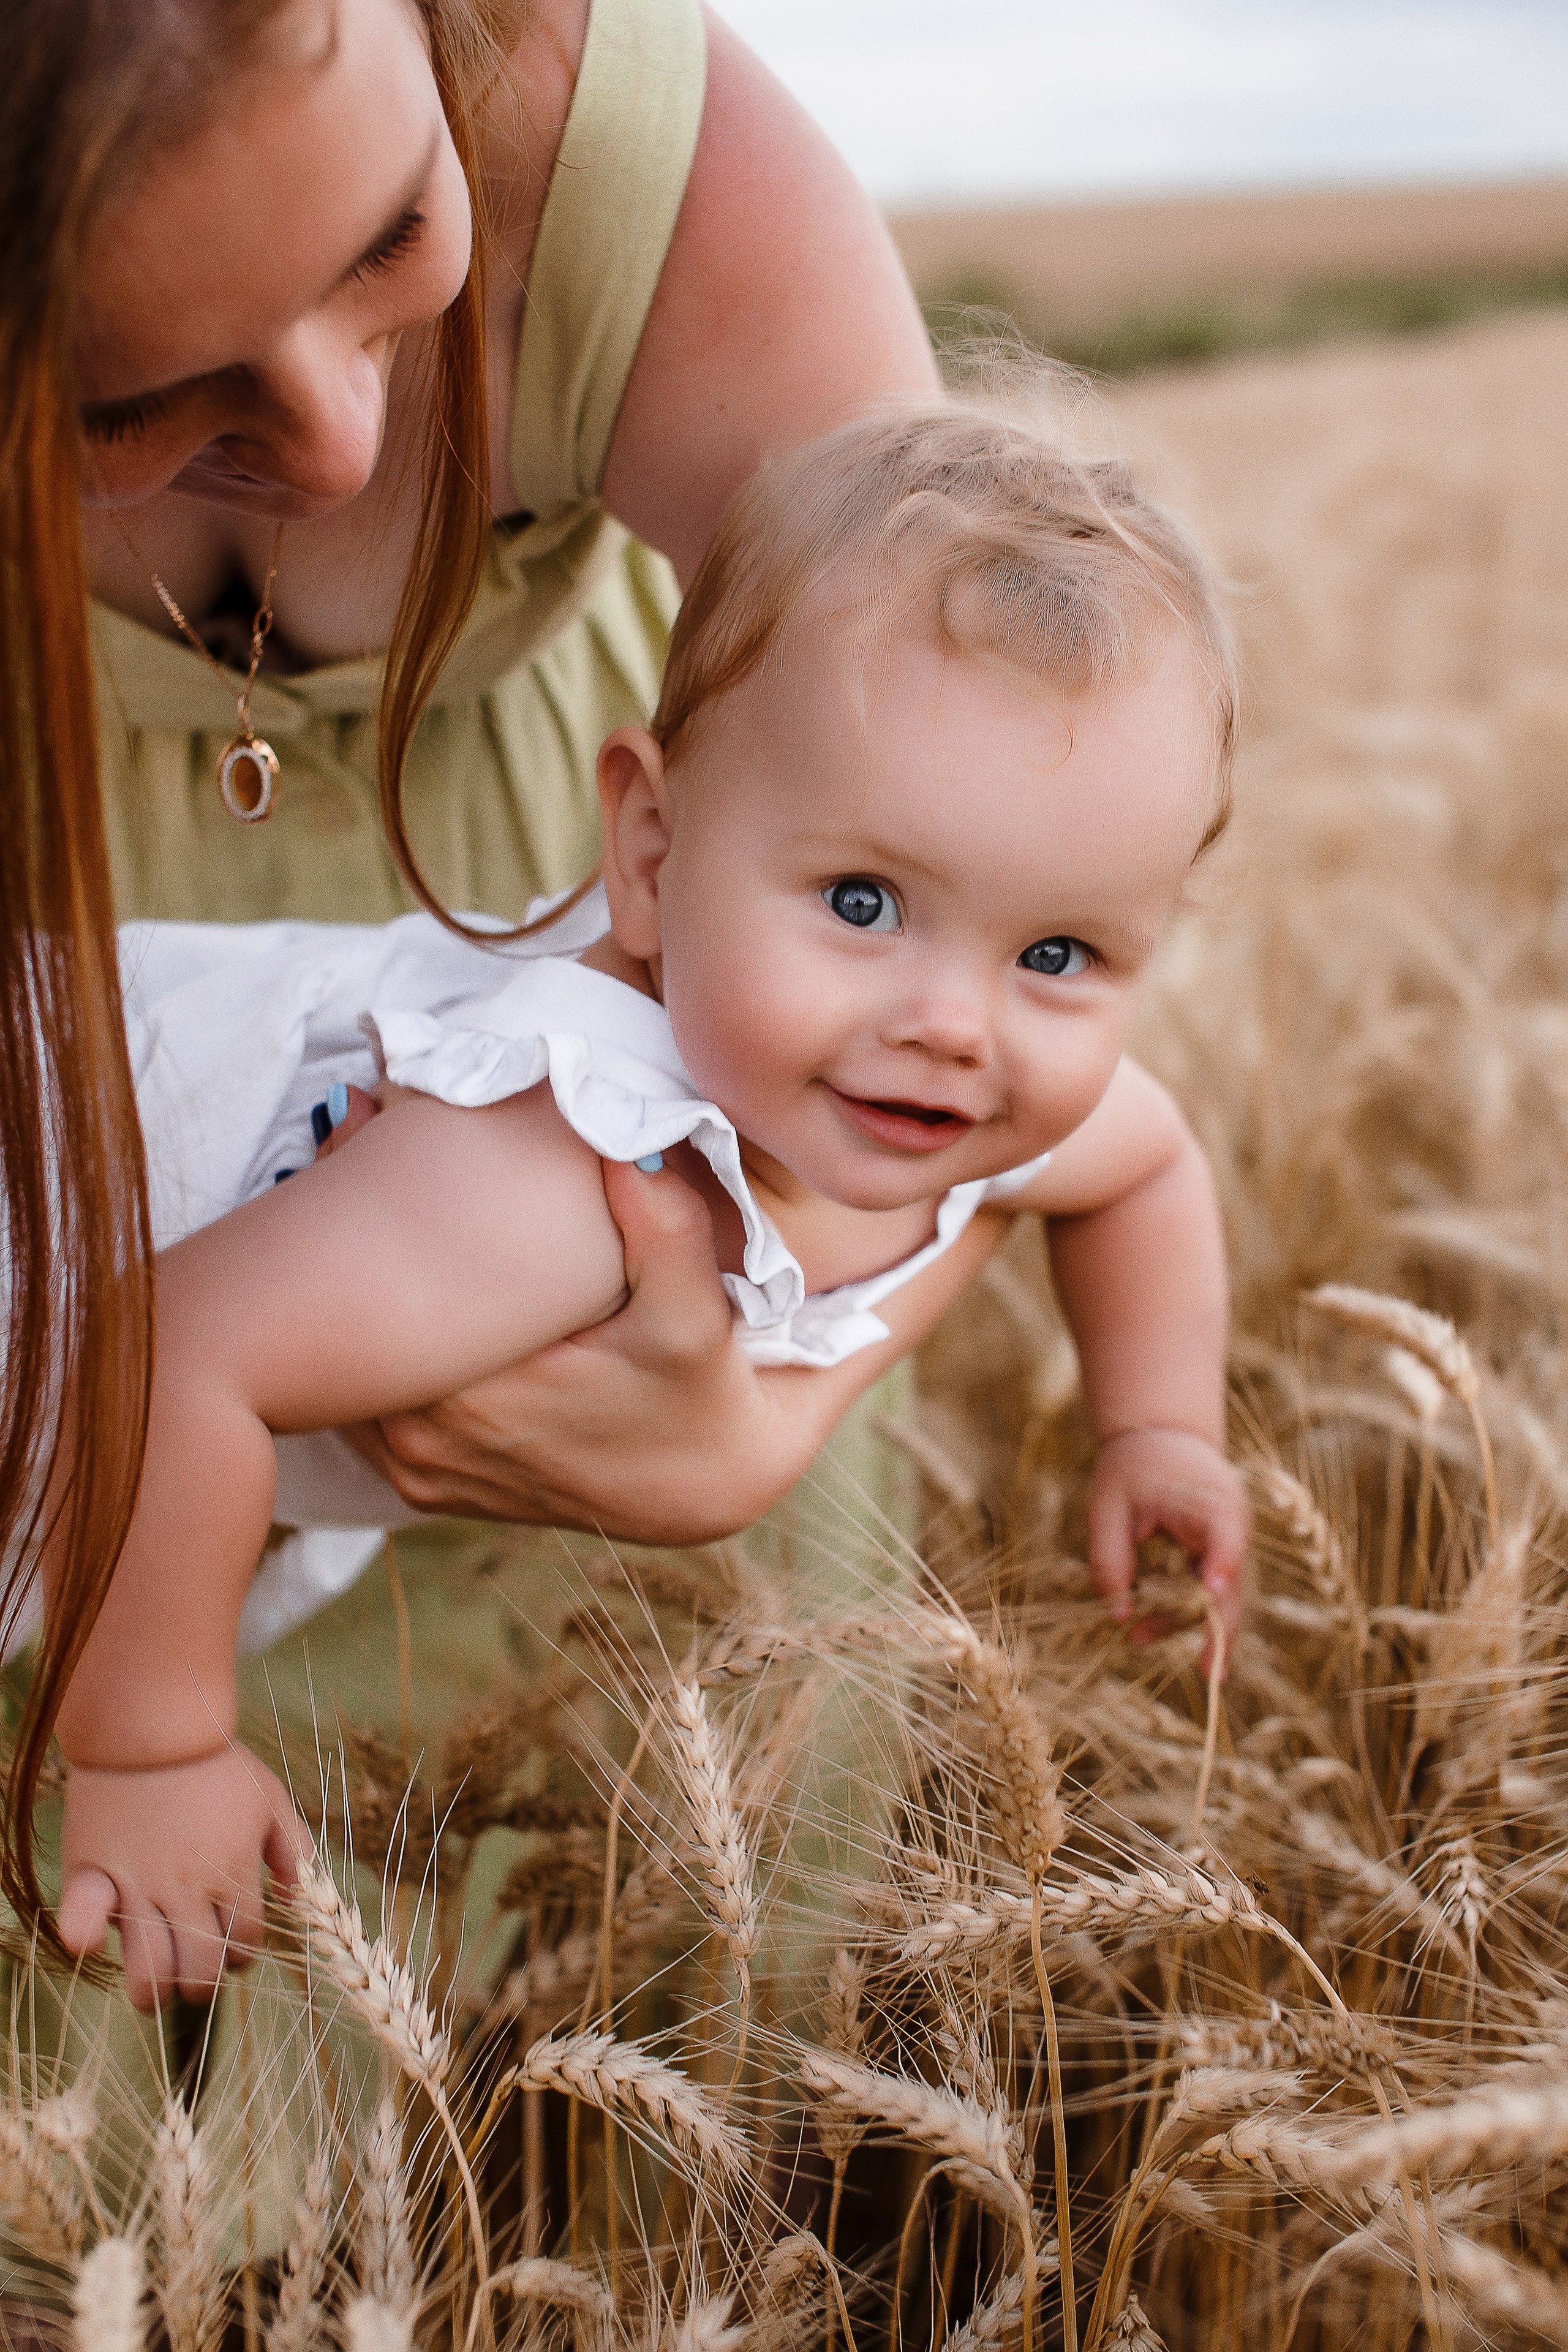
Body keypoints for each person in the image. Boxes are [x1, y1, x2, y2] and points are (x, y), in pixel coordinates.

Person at [2, 0, 1013, 1953]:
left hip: (624, 994)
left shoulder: (678, 186)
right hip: (76, 1063)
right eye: (132, 401)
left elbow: (998, 949)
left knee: (633, 1955)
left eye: (387, 239)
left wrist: (770, 1414)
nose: (343, 440)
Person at [58, 405, 1252, 2008]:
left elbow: (1143, 1165)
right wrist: (151, 1745)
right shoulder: (556, 1163)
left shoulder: (962, 1074)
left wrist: (1159, 1431)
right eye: (862, 903)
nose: (957, 1023)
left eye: (1059, 956)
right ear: (651, 847)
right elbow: (170, 1342)